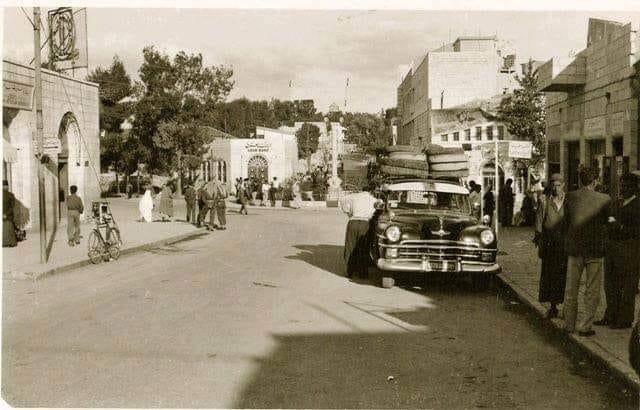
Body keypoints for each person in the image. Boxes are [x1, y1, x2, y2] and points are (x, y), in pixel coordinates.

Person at [562, 167, 611, 337]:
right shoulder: (605, 199)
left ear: (580, 180)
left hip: (575, 249)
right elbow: (609, 221)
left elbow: (566, 222)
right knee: (592, 290)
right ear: (595, 181)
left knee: (571, 288)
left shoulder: (570, 197)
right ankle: (585, 326)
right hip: (595, 250)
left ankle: (569, 324)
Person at [596, 173, 640, 329]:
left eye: (626, 186)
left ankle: (625, 319)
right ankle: (610, 315)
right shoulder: (616, 203)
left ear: (634, 188)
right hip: (612, 249)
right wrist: (614, 223)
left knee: (627, 286)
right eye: (621, 185)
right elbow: (608, 218)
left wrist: (619, 226)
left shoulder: (637, 205)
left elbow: (635, 230)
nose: (623, 189)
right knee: (610, 284)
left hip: (629, 250)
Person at [534, 173, 567, 319]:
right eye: (553, 185)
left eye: (558, 185)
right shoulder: (545, 201)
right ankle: (553, 307)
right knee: (550, 275)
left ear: (563, 185)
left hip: (564, 245)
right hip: (549, 245)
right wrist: (539, 240)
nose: (556, 188)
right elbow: (539, 222)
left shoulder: (568, 201)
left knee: (564, 275)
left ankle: (565, 306)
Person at [339, 183, 378, 278]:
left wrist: (348, 212)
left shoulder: (353, 196)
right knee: (364, 247)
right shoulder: (373, 199)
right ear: (370, 191)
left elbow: (342, 200)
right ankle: (362, 272)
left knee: (350, 246)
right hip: (365, 223)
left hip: (353, 222)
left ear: (362, 190)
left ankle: (349, 271)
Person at [3, 180, 17, 248]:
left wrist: (5, 214)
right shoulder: (11, 195)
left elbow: (12, 207)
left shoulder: (10, 195)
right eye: (4, 186)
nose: (5, 187)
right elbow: (12, 207)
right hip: (7, 216)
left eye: (5, 186)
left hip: (7, 217)